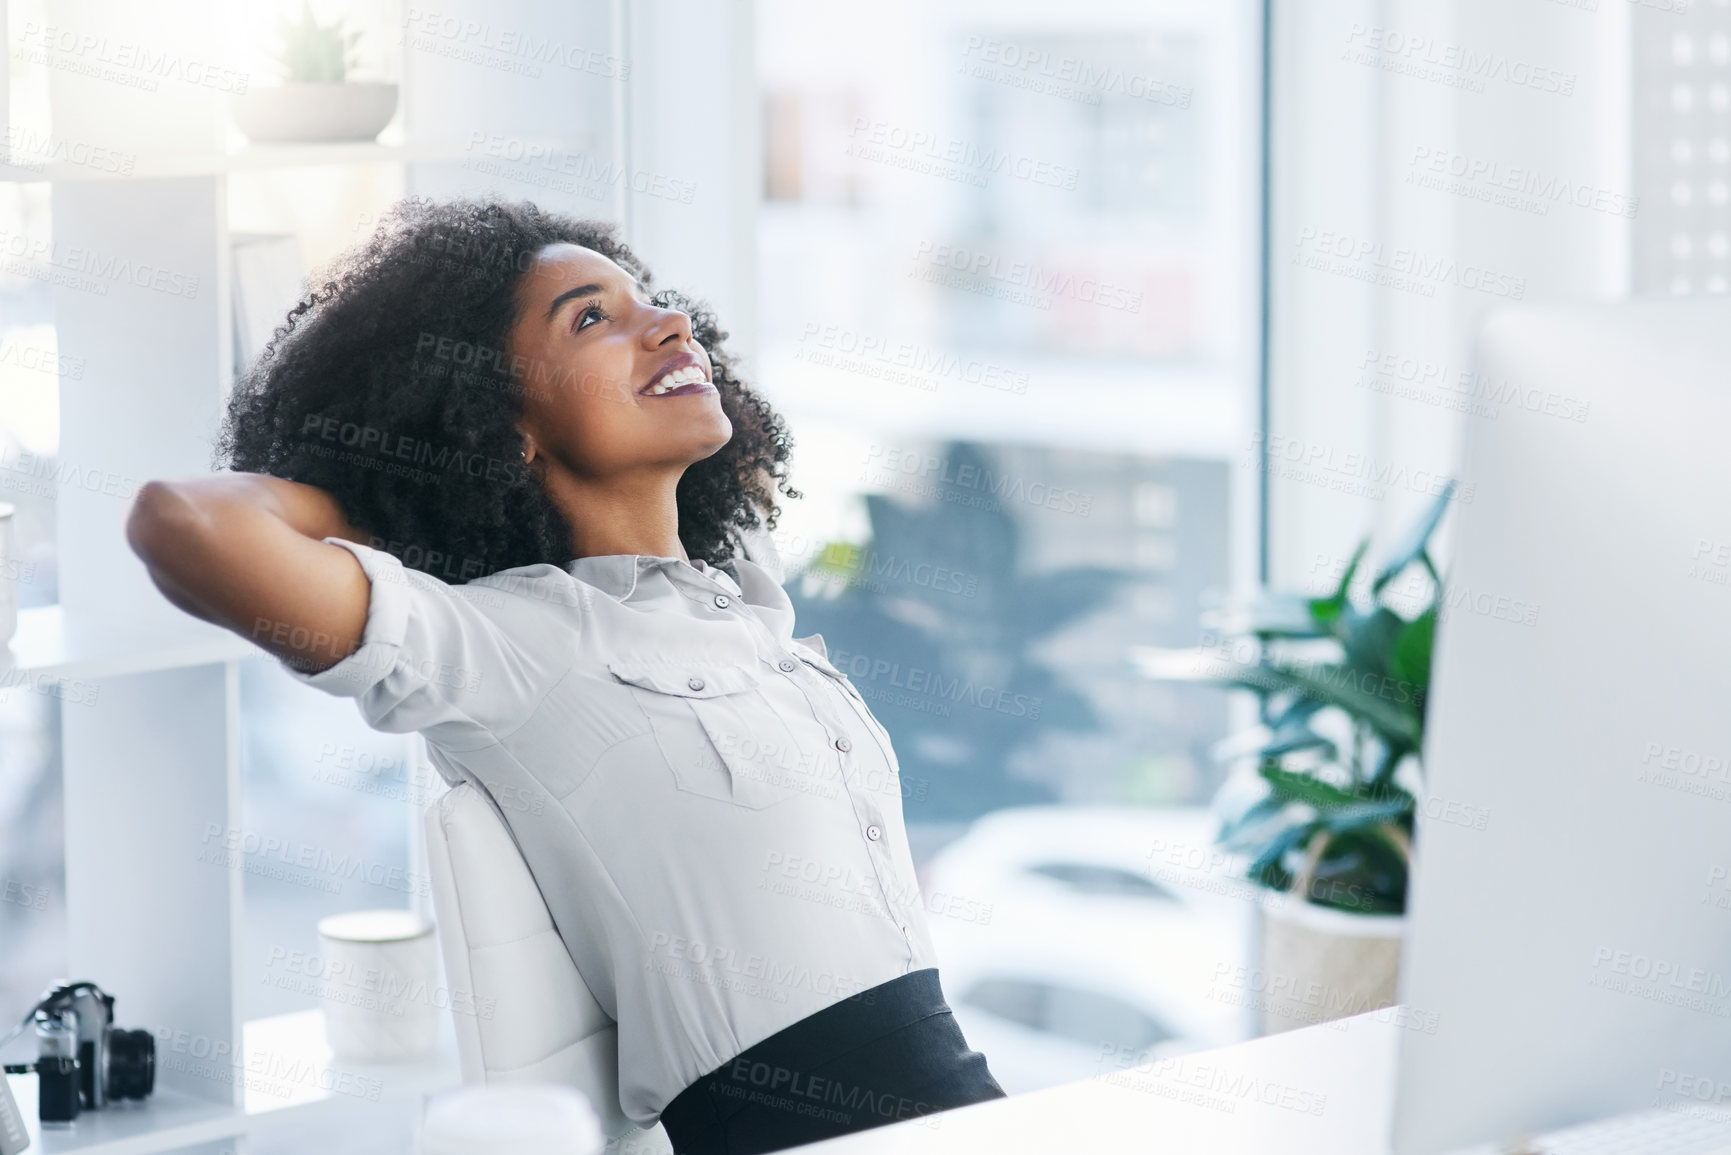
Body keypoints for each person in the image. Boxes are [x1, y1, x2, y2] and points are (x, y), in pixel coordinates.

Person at [124, 196, 1005, 1154]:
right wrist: (410, 490)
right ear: (503, 428)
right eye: (592, 318)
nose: (666, 324)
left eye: (652, 301)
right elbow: (185, 523)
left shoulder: (741, 611)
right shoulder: (516, 647)